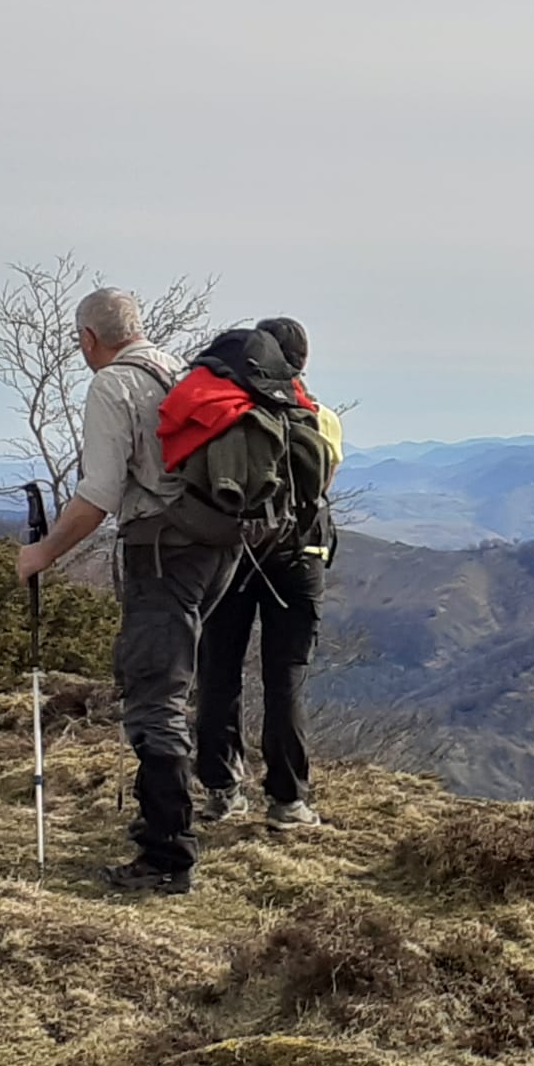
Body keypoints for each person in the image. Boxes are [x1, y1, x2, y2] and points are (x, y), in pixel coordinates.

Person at [16, 287, 241, 894]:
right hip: (218, 549)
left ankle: (168, 856)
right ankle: (165, 827)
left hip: (162, 552)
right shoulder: (180, 371)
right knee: (173, 686)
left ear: (89, 339)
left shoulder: (113, 385)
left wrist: (43, 554)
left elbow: (100, 495)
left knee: (153, 697)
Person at [194, 316, 342, 830]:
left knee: (218, 671)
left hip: (231, 552)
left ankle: (221, 789)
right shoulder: (317, 416)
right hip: (297, 557)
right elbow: (321, 484)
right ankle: (288, 801)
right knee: (286, 679)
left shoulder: (225, 416)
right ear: (301, 361)